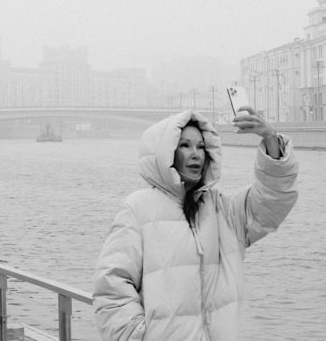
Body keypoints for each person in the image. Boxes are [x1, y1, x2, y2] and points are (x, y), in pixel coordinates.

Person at [92, 108, 298, 341]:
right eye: (185, 146)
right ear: (166, 152)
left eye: (201, 147)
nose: (196, 154)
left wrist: (270, 139)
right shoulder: (138, 209)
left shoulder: (223, 210)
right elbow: (111, 286)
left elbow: (273, 200)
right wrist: (138, 335)